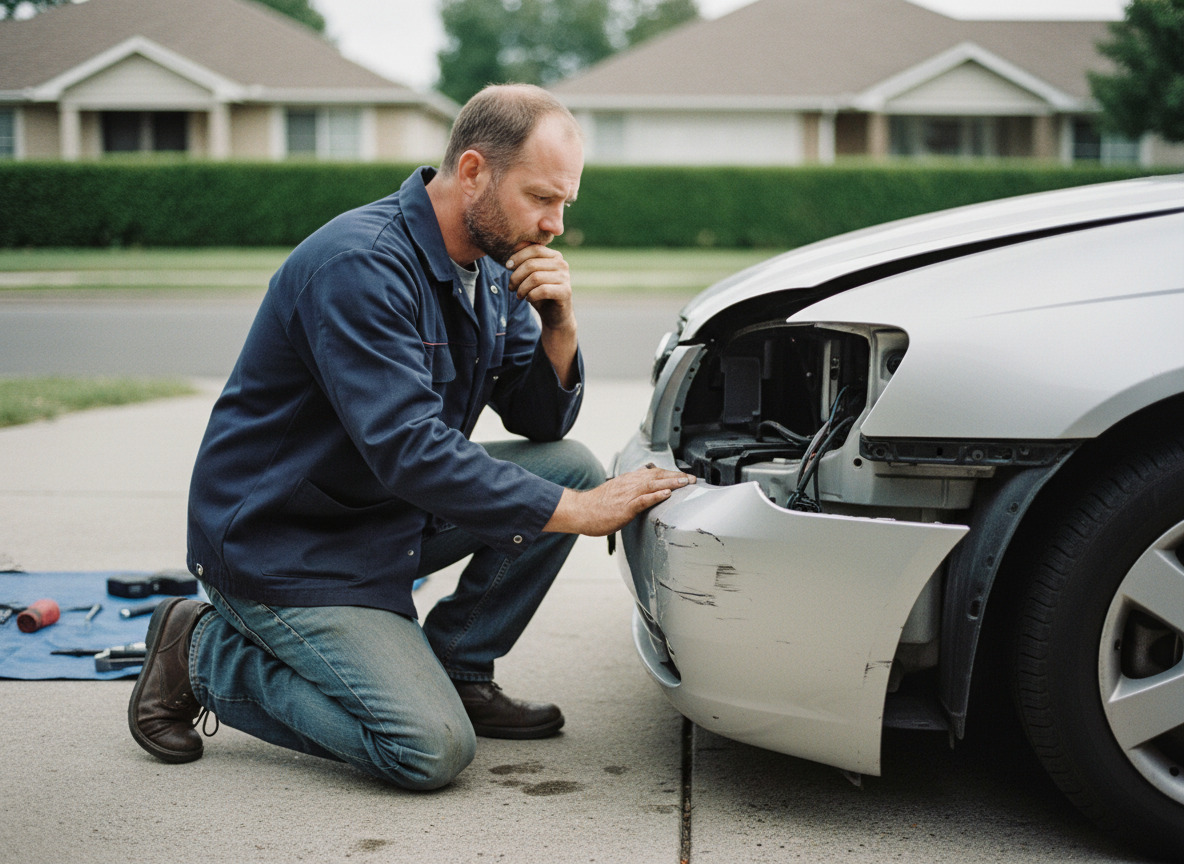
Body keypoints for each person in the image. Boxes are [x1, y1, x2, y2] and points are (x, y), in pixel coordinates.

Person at [126, 84, 693, 790]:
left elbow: (538, 424)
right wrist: (580, 516)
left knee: (569, 467)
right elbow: (409, 450)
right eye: (542, 198)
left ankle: (460, 664)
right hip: (290, 544)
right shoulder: (359, 266)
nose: (555, 225)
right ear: (475, 171)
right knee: (428, 748)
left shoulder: (491, 266)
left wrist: (560, 326)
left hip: (384, 512)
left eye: (565, 204)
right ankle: (202, 650)